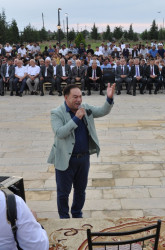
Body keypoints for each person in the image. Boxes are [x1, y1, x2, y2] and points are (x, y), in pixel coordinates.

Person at [47, 83, 115, 219]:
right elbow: (60, 133)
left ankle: (77, 214)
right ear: (66, 97)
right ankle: (64, 218)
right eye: (75, 97)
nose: (78, 100)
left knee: (80, 191)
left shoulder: (86, 108)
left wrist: (109, 98)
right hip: (65, 159)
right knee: (63, 192)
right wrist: (76, 118)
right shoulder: (57, 113)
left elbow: (103, 111)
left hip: (83, 159)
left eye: (80, 96)